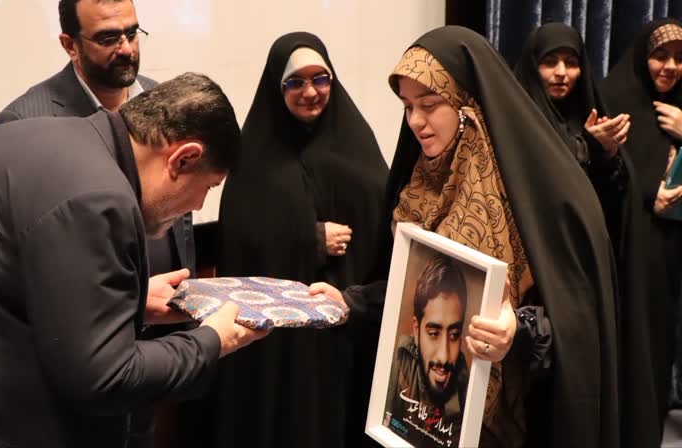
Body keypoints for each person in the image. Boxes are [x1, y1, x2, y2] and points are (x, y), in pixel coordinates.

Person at [0, 72, 267, 448]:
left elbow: (12, 284)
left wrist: (131, 301)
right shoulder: (98, 196)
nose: (198, 205)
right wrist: (211, 341)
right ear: (183, 160)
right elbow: (105, 378)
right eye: (208, 187)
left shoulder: (43, 138)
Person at [312, 26, 619, 448]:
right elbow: (413, 285)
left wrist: (519, 328)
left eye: (429, 104)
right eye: (407, 106)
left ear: (466, 102)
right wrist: (350, 302)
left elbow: (579, 310)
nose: (415, 121)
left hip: (513, 418)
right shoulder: (418, 183)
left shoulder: (539, 187)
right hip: (429, 412)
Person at [198, 31, 388, 448]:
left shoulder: (356, 144)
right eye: (295, 82)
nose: (310, 92)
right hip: (281, 346)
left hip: (344, 329)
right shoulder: (254, 156)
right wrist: (310, 239)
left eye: (320, 79)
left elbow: (383, 227)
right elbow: (241, 238)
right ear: (276, 87)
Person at [0, 0, 193, 281]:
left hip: (175, 296)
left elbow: (181, 213)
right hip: (90, 302)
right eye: (108, 38)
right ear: (70, 45)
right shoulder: (25, 122)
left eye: (132, 33)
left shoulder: (164, 99)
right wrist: (136, 299)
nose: (127, 49)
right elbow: (34, 249)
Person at [601, 18, 682, 447]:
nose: (670, 67)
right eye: (659, 56)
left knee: (659, 344)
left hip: (671, 250)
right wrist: (649, 194)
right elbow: (600, 180)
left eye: (680, 59)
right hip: (630, 248)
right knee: (631, 342)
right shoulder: (616, 99)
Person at [514, 22, 630, 246]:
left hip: (582, 241)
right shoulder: (515, 115)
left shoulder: (587, 113)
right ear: (533, 66)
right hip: (534, 241)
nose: (561, 72)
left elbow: (609, 199)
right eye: (549, 62)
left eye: (571, 63)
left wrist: (605, 153)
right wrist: (585, 146)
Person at [385, 255, 469, 448]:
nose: (444, 357)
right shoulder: (398, 361)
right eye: (433, 334)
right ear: (416, 330)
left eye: (454, 335)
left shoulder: (466, 384)